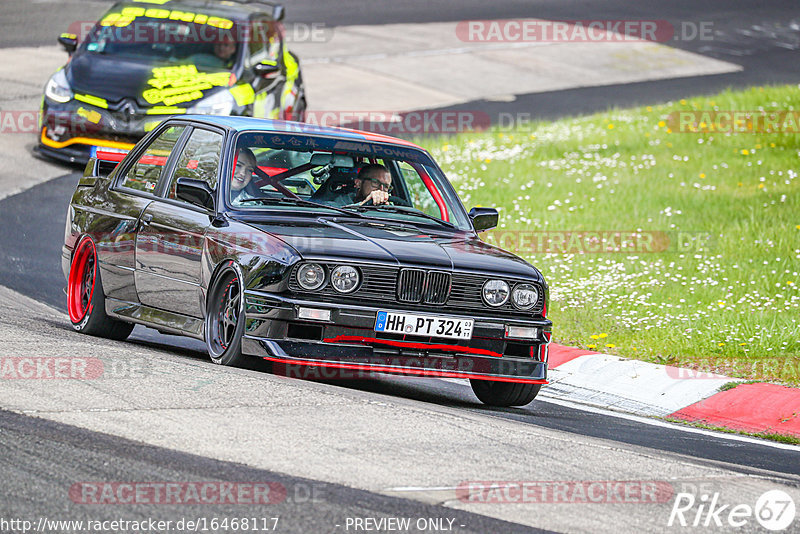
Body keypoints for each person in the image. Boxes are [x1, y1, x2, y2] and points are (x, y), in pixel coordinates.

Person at [317, 163, 393, 207]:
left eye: (386, 186)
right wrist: (363, 204)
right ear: (358, 183)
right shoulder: (340, 202)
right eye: (375, 182)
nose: (381, 189)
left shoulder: (390, 208)